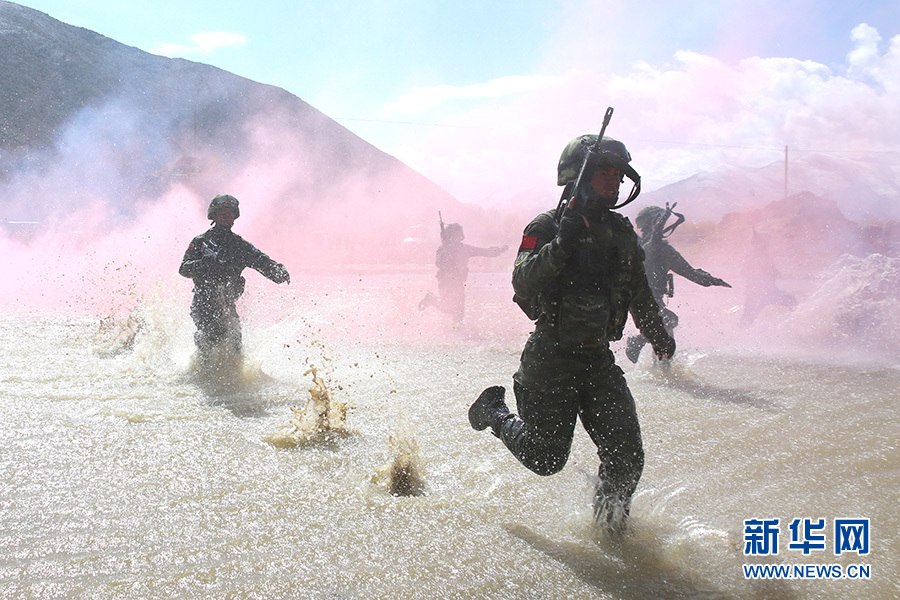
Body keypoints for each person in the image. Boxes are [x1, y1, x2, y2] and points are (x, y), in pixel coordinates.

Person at [467, 134, 675, 534]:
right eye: (603, 173)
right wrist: (562, 243)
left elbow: (639, 293)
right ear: (578, 176)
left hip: (598, 361)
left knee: (627, 456)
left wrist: (658, 335)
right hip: (551, 358)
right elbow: (522, 281)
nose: (613, 182)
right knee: (546, 459)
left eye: (618, 175)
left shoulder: (621, 232)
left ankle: (610, 535)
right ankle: (494, 411)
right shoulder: (547, 225)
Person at [179, 194, 290, 361]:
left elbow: (261, 261)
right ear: (214, 215)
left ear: (235, 216)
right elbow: (183, 269)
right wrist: (203, 264)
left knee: (235, 345)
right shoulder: (201, 242)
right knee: (209, 341)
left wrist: (277, 271)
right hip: (203, 304)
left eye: (230, 213)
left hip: (227, 306)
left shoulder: (240, 245)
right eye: (222, 213)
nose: (226, 216)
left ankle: (232, 376)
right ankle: (200, 372)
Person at [625, 205, 731, 363]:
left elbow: (689, 272)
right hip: (643, 298)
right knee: (667, 323)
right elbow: (652, 245)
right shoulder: (642, 248)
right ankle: (639, 344)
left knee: (666, 333)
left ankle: (660, 367)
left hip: (653, 299)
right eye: (657, 221)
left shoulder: (660, 250)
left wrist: (712, 280)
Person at [418, 222, 508, 323]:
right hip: (446, 282)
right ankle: (431, 299)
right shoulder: (443, 248)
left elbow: (484, 251)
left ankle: (456, 330)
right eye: (457, 234)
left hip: (458, 282)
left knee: (459, 312)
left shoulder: (464, 248)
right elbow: (439, 263)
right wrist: (446, 252)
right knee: (447, 307)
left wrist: (499, 250)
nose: (459, 236)